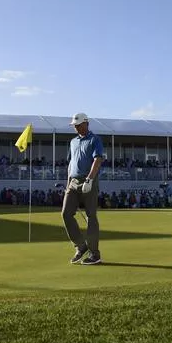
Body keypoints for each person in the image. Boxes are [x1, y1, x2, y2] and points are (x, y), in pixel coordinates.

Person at [63, 112, 104, 265]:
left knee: (91, 216)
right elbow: (71, 163)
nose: (76, 128)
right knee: (66, 213)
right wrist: (68, 183)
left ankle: (95, 254)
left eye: (78, 125)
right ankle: (81, 246)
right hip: (73, 182)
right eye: (75, 126)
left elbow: (98, 160)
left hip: (89, 181)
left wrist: (89, 179)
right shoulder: (73, 142)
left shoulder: (95, 139)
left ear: (86, 124)